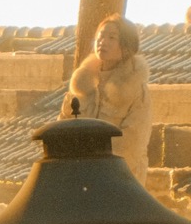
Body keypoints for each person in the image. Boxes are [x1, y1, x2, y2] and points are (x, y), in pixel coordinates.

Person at [65, 16, 153, 183]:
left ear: (127, 46)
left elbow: (133, 142)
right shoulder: (80, 85)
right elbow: (63, 124)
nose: (102, 42)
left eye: (111, 37)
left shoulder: (136, 89)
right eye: (100, 36)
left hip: (121, 180)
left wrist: (97, 164)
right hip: (78, 178)